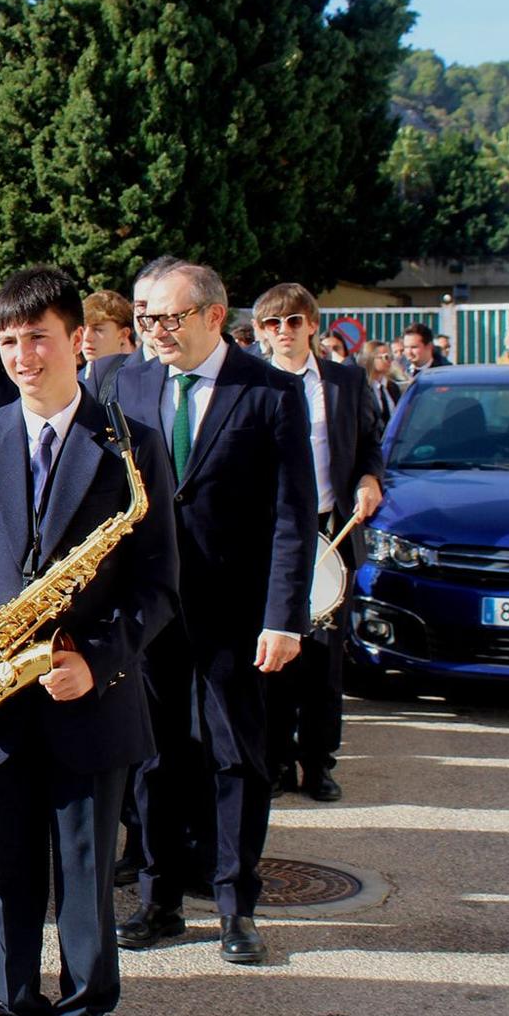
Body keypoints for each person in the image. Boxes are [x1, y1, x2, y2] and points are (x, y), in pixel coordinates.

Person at [0, 267, 179, 1016]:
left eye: (40, 338)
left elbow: (161, 587)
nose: (23, 356)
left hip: (86, 698)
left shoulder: (132, 443)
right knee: (4, 875)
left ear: (79, 340)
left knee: (83, 871)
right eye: (8, 341)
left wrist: (95, 658)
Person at [113, 262, 314, 968]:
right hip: (147, 608)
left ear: (212, 315)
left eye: (169, 319)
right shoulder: (124, 382)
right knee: (155, 754)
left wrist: (285, 616)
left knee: (236, 756)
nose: (156, 332)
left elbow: (295, 516)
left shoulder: (272, 393)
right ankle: (157, 897)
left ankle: (236, 904)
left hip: (235, 611)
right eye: (147, 319)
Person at [252, 284, 384, 803]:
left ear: (311, 325)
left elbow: (370, 444)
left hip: (331, 532)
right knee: (275, 656)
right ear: (261, 333)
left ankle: (319, 763)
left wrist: (370, 480)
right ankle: (277, 760)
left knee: (326, 666)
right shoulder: (251, 382)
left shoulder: (346, 380)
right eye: (271, 324)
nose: (283, 332)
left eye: (292, 321)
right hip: (272, 538)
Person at [79, 291, 136, 397]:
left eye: (98, 330)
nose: (87, 338)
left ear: (123, 334)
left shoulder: (138, 380)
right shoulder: (73, 382)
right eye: (83, 328)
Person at [358, 341, 401, 427]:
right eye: (385, 357)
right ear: (371, 359)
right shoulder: (363, 388)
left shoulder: (392, 387)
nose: (390, 361)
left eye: (391, 357)